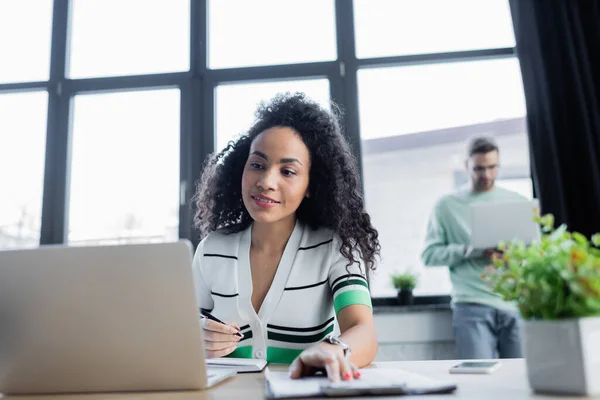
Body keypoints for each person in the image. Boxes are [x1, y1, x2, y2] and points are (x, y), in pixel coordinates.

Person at [192, 92, 380, 382]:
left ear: (310, 185)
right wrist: (195, 337)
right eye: (257, 164)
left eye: (288, 171)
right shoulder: (211, 250)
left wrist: (334, 350)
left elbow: (364, 332)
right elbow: (186, 332)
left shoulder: (337, 248)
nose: (266, 182)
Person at [420, 136, 526, 359]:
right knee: (478, 380)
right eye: (479, 168)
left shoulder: (517, 202)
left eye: (492, 167)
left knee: (521, 380)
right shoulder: (446, 206)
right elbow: (429, 256)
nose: (486, 175)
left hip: (515, 305)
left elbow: (534, 254)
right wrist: (467, 250)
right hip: (470, 305)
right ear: (467, 165)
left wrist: (513, 255)